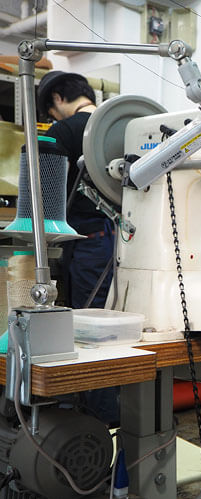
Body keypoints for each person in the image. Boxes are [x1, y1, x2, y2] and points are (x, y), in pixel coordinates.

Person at [37, 70, 118, 424]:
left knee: (89, 334)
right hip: (124, 242)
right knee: (116, 331)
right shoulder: (121, 129)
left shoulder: (64, 132)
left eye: (50, 112)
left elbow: (40, 193)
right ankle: (121, 417)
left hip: (88, 247)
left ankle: (97, 424)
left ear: (57, 99)